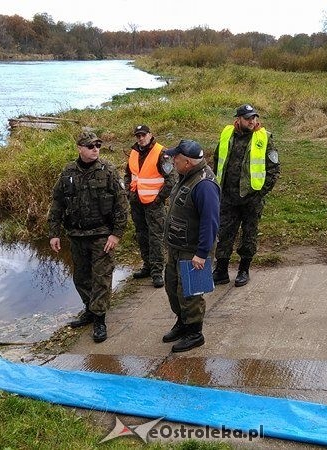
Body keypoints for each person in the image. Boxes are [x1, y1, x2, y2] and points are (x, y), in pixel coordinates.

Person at [48, 131, 128, 343]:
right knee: (81, 277)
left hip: (102, 234)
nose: (95, 149)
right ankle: (90, 310)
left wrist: (116, 234)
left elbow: (121, 204)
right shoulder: (68, 172)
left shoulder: (107, 170)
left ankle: (99, 319)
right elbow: (57, 202)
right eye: (91, 146)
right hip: (76, 234)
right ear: (80, 148)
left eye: (98, 145)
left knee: (101, 276)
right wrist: (54, 233)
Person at [212, 104, 281, 287]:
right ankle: (221, 271)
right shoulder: (227, 134)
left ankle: (244, 269)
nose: (252, 121)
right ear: (239, 119)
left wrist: (260, 192)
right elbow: (217, 160)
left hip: (251, 198)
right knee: (224, 233)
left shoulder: (264, 138)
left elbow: (274, 169)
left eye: (254, 118)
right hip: (228, 197)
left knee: (249, 235)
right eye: (248, 118)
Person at [161, 139, 220, 352]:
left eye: (176, 157)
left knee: (190, 294)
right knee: (173, 288)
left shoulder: (204, 184)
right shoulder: (186, 176)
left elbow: (210, 222)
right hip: (177, 247)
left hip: (194, 250)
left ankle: (195, 333)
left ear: (187, 162)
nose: (172, 160)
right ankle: (183, 323)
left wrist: (202, 254)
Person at [124, 124, 177, 289]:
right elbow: (128, 174)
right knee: (141, 235)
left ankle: (156, 272)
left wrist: (159, 198)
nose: (140, 138)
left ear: (150, 135)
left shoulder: (162, 153)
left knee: (156, 237)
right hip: (137, 202)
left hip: (154, 204)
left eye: (143, 135)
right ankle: (147, 266)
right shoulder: (134, 152)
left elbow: (172, 179)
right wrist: (129, 191)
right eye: (138, 135)